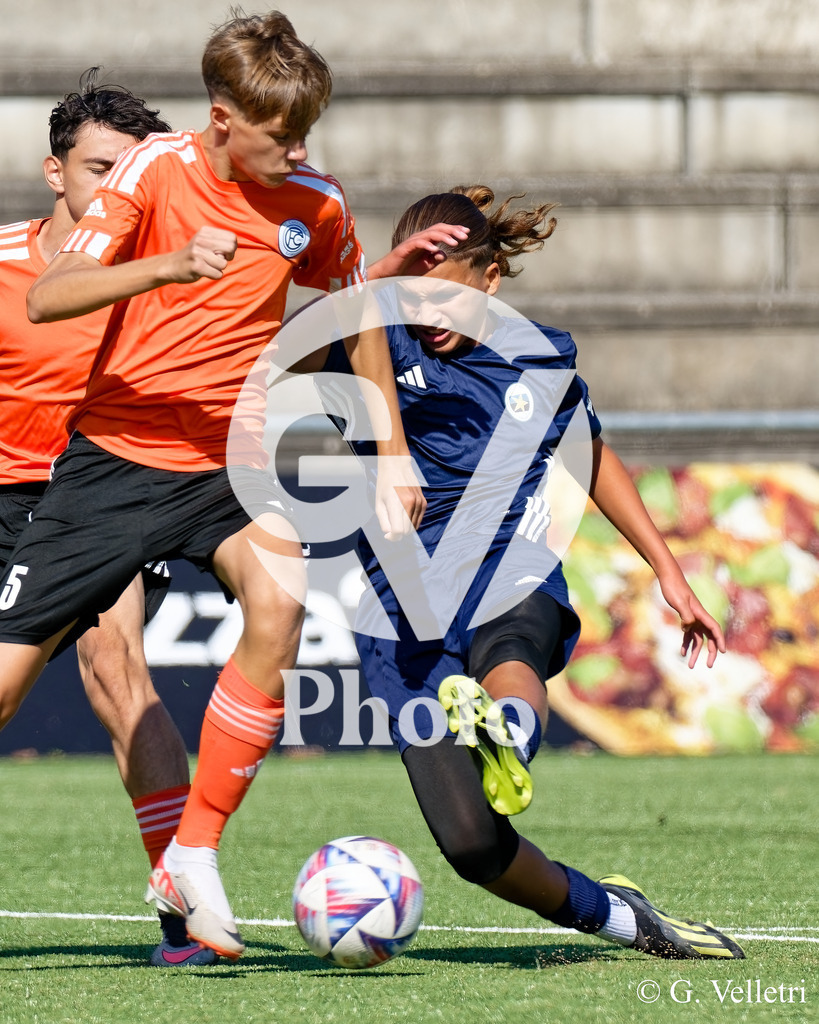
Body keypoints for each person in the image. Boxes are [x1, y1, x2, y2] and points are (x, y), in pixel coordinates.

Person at [1, 11, 423, 962]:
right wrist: (169, 263)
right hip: (112, 459)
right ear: (224, 120)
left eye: (306, 135)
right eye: (281, 138)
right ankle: (183, 864)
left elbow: (359, 316)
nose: (299, 152)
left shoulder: (315, 202)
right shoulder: (153, 171)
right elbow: (47, 295)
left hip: (225, 462)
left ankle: (192, 854)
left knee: (281, 602)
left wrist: (388, 451)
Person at [298, 185, 745, 960]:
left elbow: (590, 455)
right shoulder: (373, 341)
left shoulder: (537, 357)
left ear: (491, 279)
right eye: (415, 290)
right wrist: (375, 278)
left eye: (446, 290)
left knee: (509, 645)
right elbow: (295, 349)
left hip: (506, 562)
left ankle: (504, 730)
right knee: (472, 845)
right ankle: (616, 915)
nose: (427, 310)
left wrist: (668, 570)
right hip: (398, 610)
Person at [0, 70, 217, 967]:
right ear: (56, 173)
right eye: (97, 169)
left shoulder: (161, 278)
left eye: (131, 170)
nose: (115, 187)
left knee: (117, 667)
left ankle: (183, 903)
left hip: (97, 494)